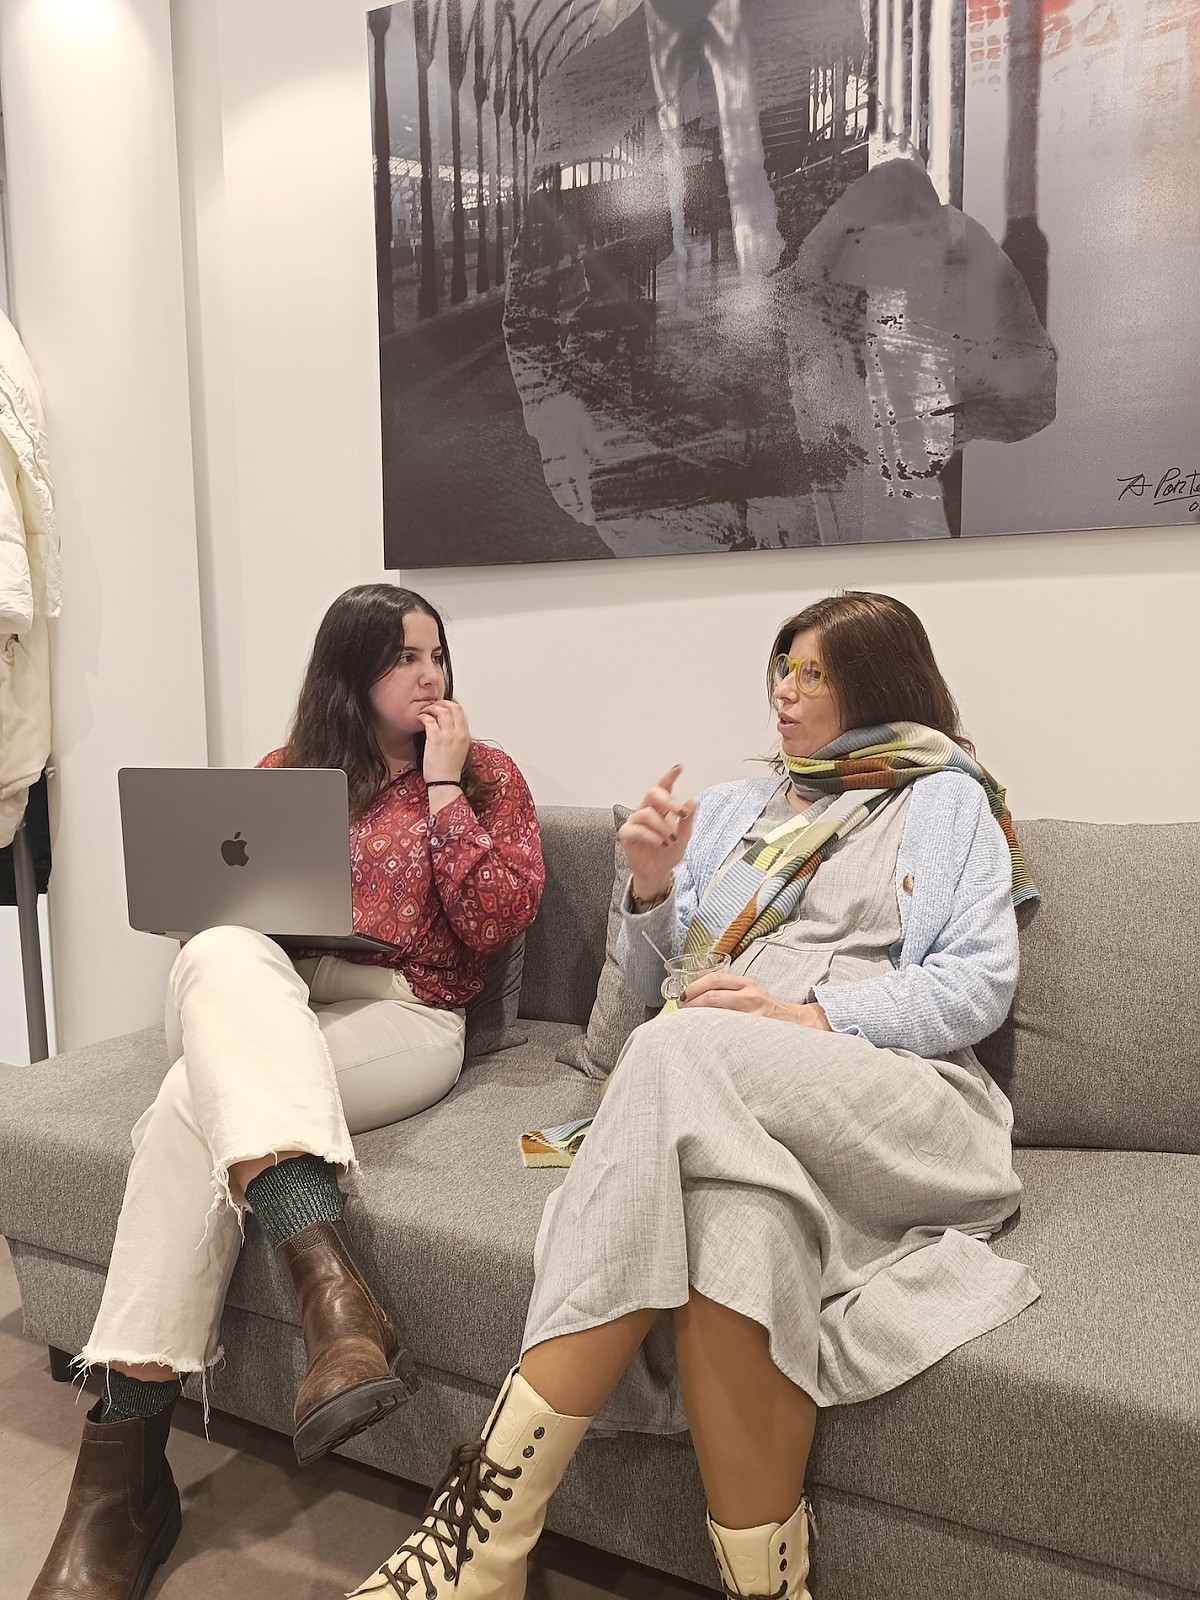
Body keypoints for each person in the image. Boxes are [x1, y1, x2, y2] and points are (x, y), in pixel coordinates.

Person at [351, 590, 1040, 1600]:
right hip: (728, 1095)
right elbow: (650, 993)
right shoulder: (728, 810)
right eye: (782, 666)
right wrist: (650, 890)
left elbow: (977, 985)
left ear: (877, 685)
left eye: (813, 672)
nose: (784, 690)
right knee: (735, 1226)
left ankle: (481, 1538)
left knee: (677, 1049)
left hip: (897, 1095)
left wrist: (807, 1015)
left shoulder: (945, 802)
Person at [29, 584, 545, 1600]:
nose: (429, 675)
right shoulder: (286, 774)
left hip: (406, 1013)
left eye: (437, 655)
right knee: (220, 946)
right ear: (351, 671)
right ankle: (332, 1297)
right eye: (404, 657)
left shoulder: (486, 773)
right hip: (272, 996)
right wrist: (206, 911)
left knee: (191, 1108)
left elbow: (494, 922)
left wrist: (444, 789)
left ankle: (120, 1480)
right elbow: (220, 921)